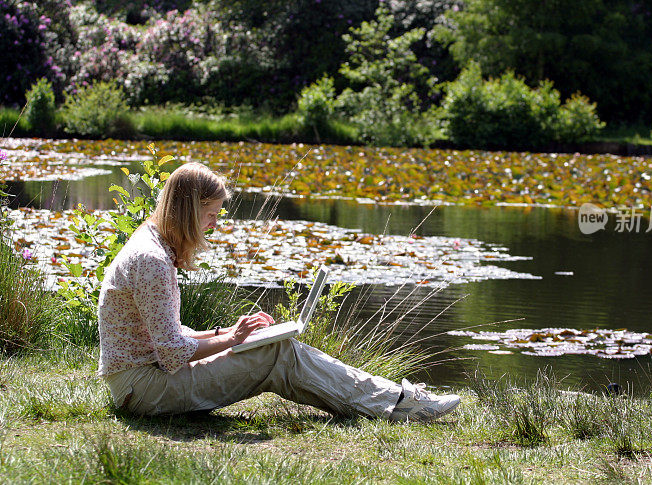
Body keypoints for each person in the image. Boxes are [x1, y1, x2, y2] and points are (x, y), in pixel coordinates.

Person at [98, 162, 460, 422]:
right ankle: (395, 402)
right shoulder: (152, 260)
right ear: (190, 210)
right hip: (142, 389)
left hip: (143, 379)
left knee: (277, 351)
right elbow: (173, 353)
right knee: (277, 354)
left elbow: (167, 340)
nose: (214, 223)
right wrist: (233, 339)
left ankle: (386, 403)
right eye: (211, 214)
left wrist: (229, 334)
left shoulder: (153, 245)